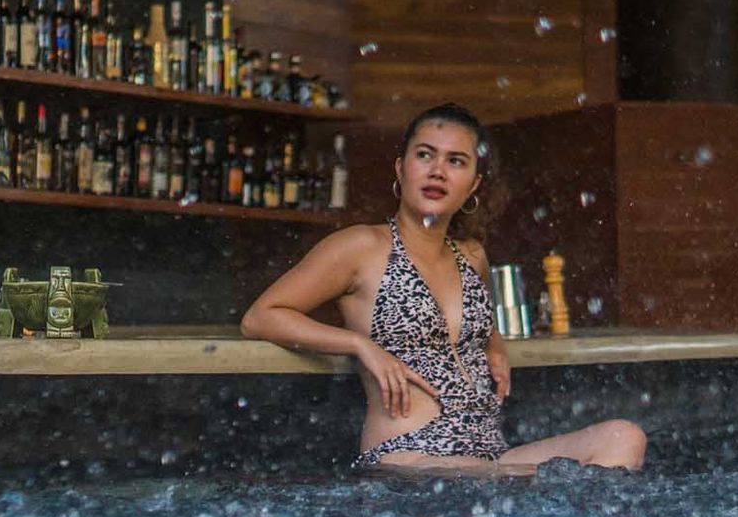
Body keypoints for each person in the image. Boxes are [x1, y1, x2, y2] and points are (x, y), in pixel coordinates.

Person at [240, 103, 647, 475]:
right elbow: (262, 317)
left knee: (623, 437)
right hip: (409, 457)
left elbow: (471, 325)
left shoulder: (472, 256)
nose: (438, 171)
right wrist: (360, 345)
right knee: (555, 484)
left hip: (488, 457)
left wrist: (495, 343)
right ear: (401, 169)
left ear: (472, 185)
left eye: (456, 161)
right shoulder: (361, 247)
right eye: (425, 155)